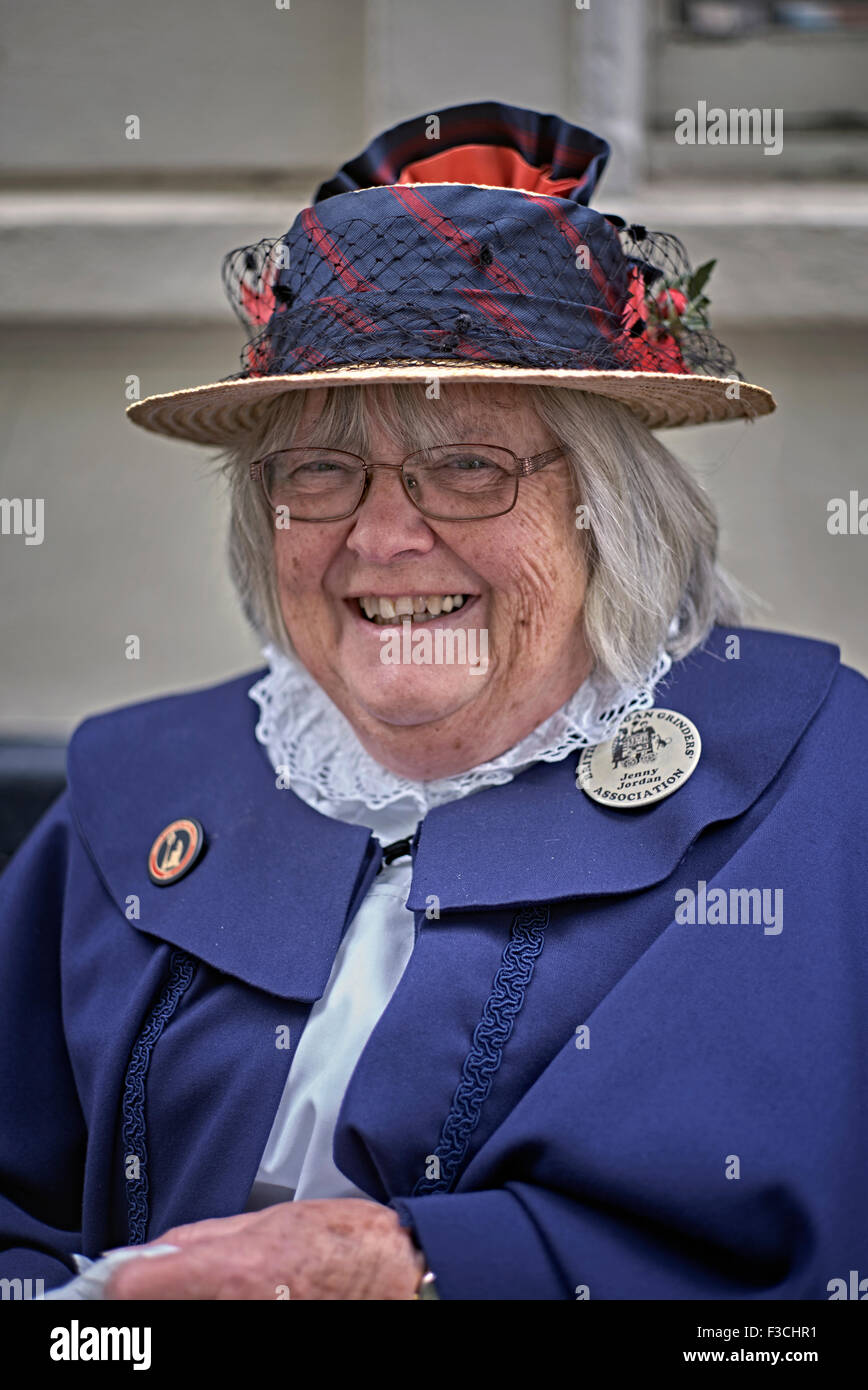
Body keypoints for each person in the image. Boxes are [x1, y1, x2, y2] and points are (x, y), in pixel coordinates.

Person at [1, 101, 866, 1302]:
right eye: (320, 468)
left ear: (607, 508)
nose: (385, 536)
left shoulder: (814, 782)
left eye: (468, 465)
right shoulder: (140, 782)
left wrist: (406, 1269)